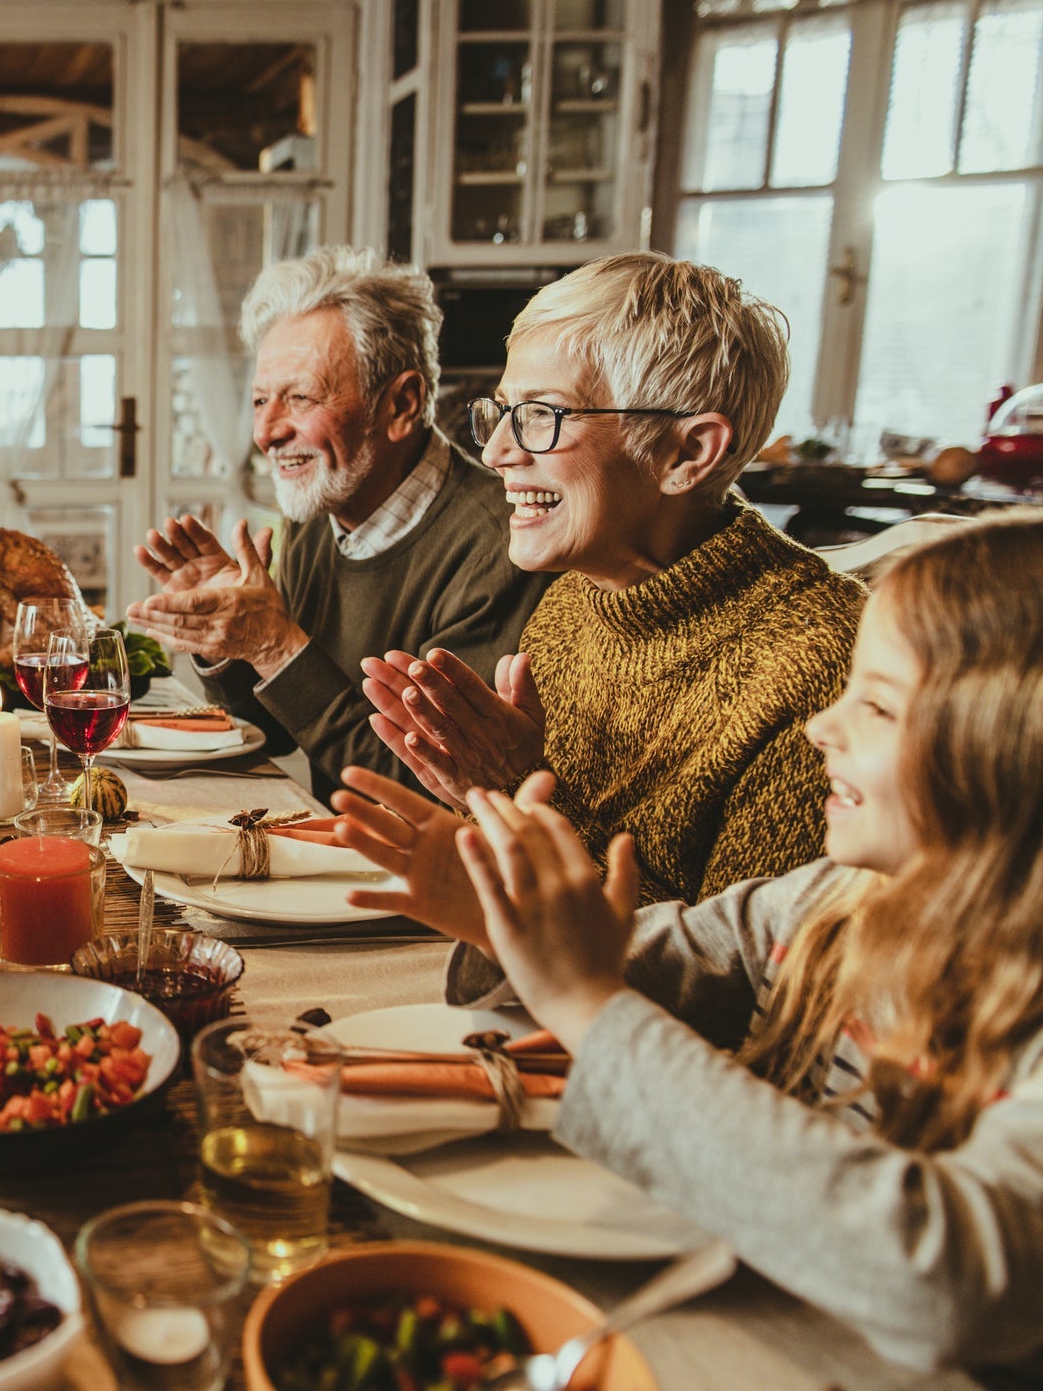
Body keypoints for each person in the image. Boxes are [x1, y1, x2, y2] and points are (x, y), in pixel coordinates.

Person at [333, 511, 1043, 1381]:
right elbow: (668, 957)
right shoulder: (837, 898)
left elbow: (942, 1286)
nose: (825, 724)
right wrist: (504, 921)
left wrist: (584, 1000)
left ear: (1009, 753)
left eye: (879, 704)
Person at [363, 252, 861, 902]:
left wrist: (517, 792)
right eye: (503, 412)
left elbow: (726, 973)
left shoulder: (822, 668)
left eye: (541, 416)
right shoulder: (574, 600)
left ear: (687, 453)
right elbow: (516, 878)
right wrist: (480, 800)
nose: (495, 453)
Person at [124, 246, 548, 796]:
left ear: (401, 404)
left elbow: (428, 793)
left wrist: (276, 646)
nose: (266, 432)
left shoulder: (500, 548)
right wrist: (230, 644)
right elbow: (275, 734)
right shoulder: (317, 512)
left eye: (300, 398)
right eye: (258, 401)